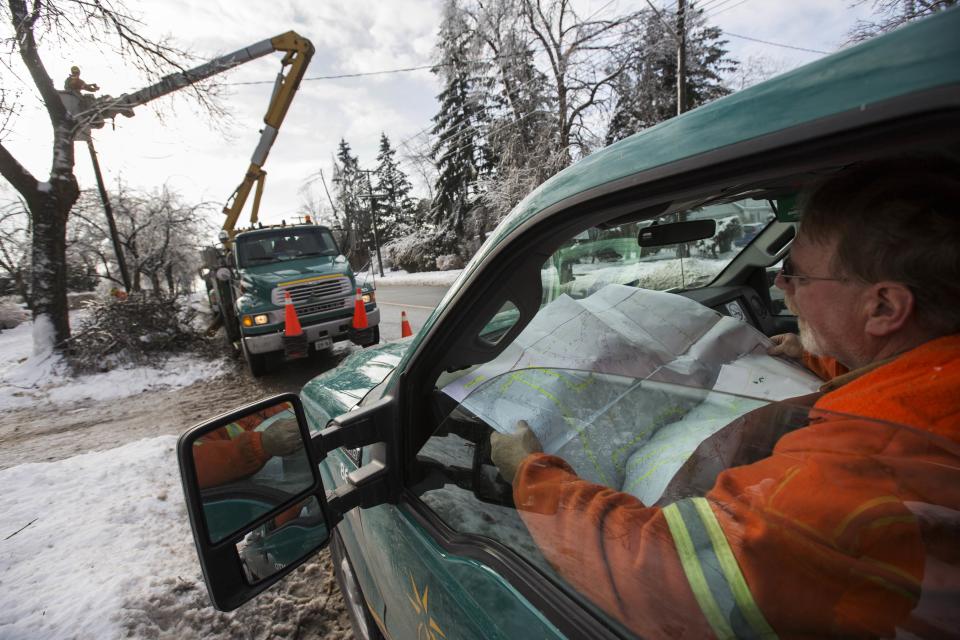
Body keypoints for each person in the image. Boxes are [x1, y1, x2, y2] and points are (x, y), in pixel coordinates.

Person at [491, 156, 960, 638]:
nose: (779, 283)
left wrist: (532, 477)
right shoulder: (932, 386)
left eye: (796, 273)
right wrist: (824, 358)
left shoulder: (862, 466)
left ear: (883, 307)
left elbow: (674, 579)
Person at [193, 403, 302, 489]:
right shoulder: (207, 426)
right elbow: (196, 466)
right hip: (268, 500)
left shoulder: (282, 402)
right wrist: (260, 445)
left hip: (301, 481)